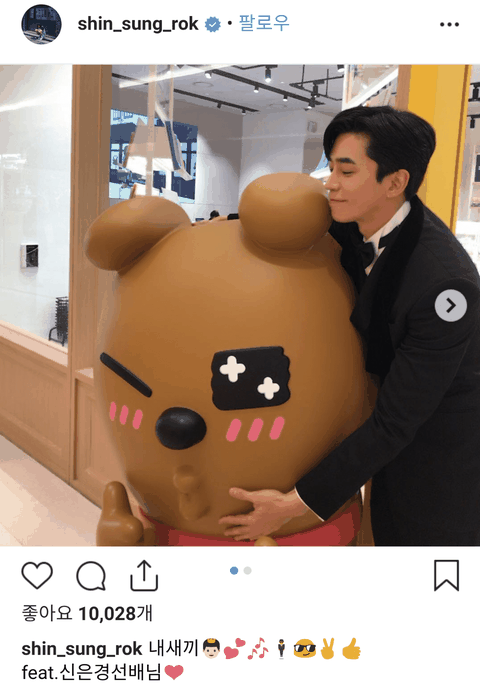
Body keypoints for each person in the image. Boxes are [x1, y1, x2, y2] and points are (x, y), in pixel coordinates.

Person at [219, 105, 480, 546]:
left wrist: (293, 505)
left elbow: (396, 423)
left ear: (395, 182)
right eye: (330, 168)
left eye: (346, 171)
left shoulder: (444, 285)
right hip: (382, 439)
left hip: (441, 458)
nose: (330, 183)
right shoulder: (356, 224)